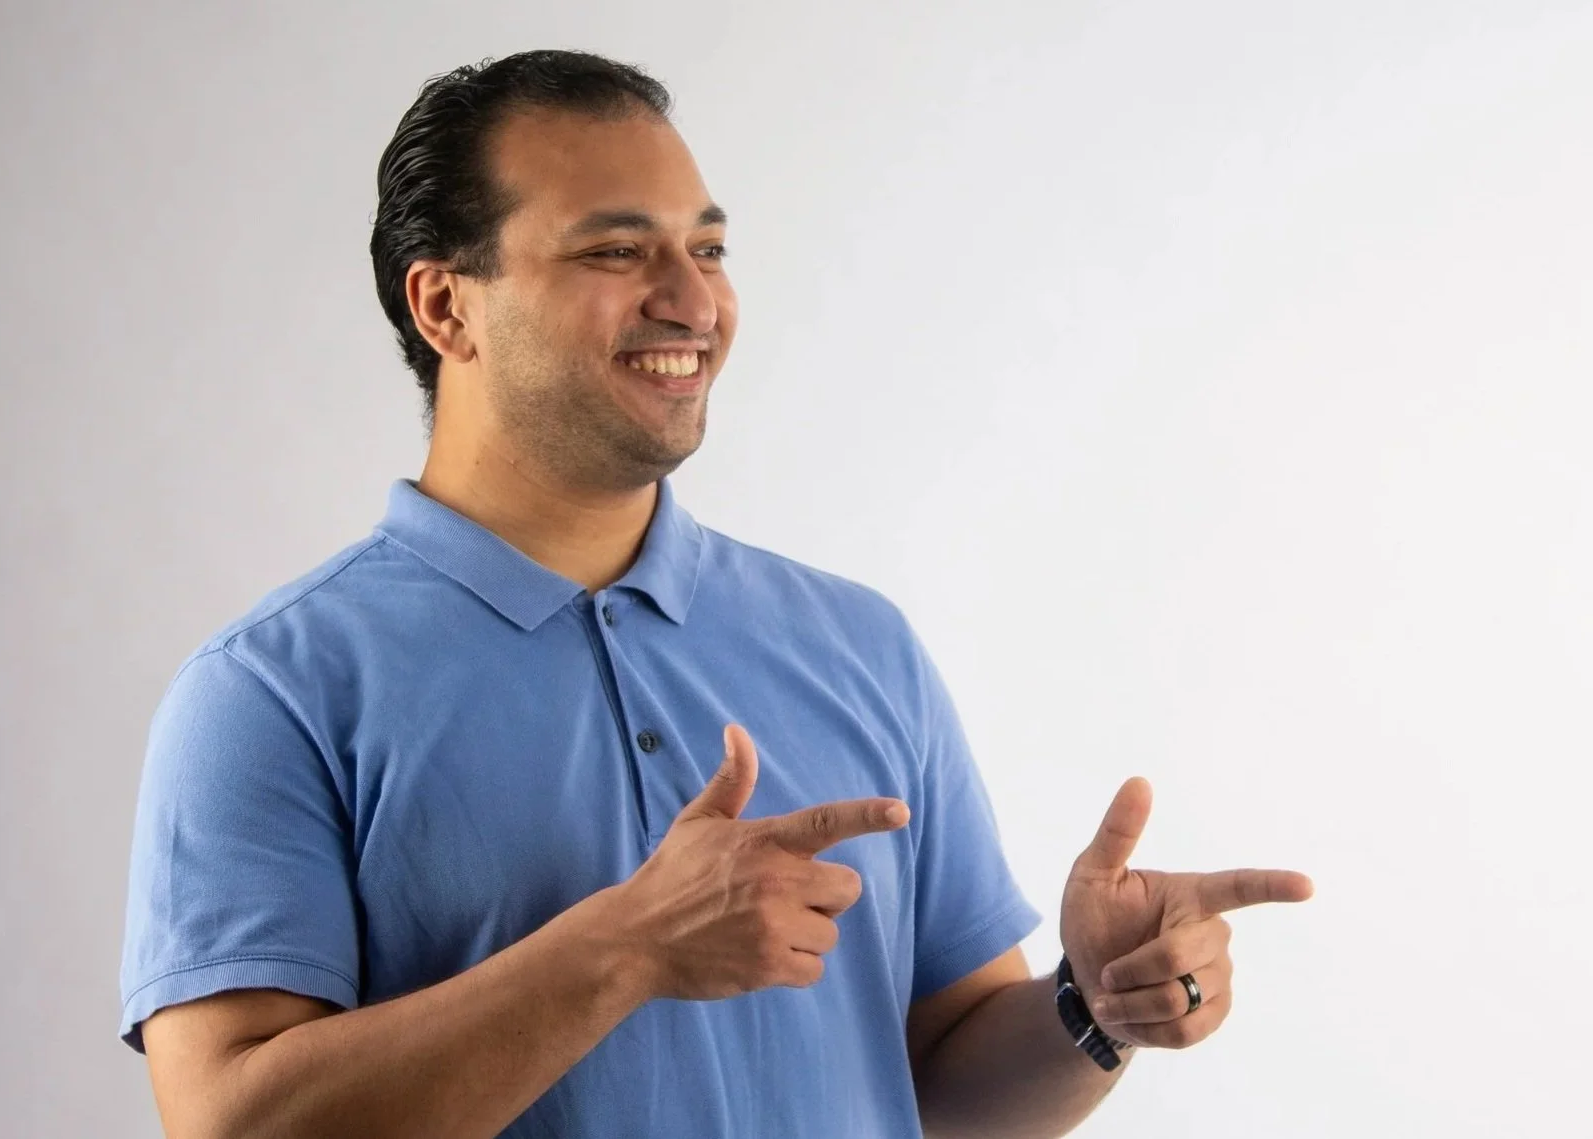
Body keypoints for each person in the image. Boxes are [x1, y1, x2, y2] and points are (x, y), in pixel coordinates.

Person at [118, 48, 1314, 1139]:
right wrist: (624, 948)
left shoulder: (859, 643)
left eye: (708, 249)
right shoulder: (268, 692)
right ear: (446, 305)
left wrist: (1089, 1008)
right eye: (615, 251)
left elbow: (943, 1086)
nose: (693, 302)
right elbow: (229, 1122)